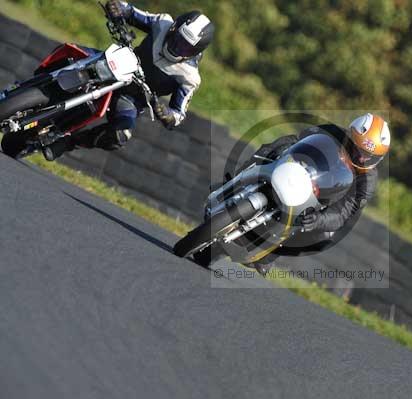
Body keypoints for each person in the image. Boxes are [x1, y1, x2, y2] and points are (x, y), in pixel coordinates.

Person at [204, 113, 391, 276]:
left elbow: (344, 211)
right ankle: (235, 182)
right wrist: (282, 152)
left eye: (368, 156)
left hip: (322, 200)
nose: (361, 158)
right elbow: (299, 140)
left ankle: (270, 253)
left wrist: (318, 219)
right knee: (281, 143)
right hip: (299, 169)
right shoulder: (331, 132)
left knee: (325, 235)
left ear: (378, 158)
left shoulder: (368, 180)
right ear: (350, 135)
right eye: (357, 149)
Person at [43, 0, 214, 160]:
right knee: (70, 52)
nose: (177, 47)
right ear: (173, 28)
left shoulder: (190, 78)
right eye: (177, 38)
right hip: (113, 64)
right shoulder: (162, 23)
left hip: (132, 98)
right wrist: (117, 8)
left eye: (185, 47)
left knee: (121, 134)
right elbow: (131, 12)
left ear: (195, 52)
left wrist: (167, 115)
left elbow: (178, 114)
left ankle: (69, 143)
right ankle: (35, 82)